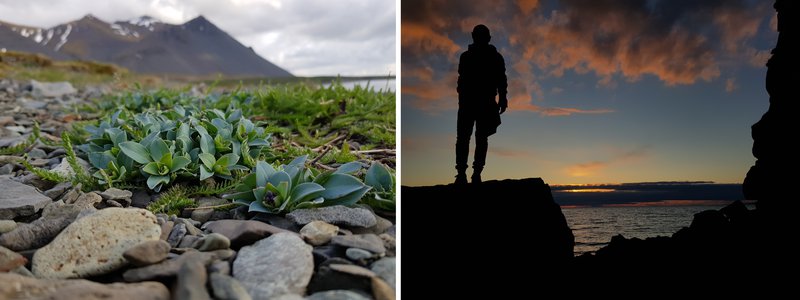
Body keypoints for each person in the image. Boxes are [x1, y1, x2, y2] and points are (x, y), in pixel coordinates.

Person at [454, 24, 508, 185]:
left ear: (488, 38)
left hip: (485, 103)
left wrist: (503, 98)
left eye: (483, 36)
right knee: (464, 138)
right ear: (473, 36)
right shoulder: (465, 57)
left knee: (481, 139)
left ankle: (476, 173)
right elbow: (461, 79)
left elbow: (501, 80)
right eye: (478, 35)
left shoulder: (496, 57)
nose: (480, 39)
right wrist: (462, 95)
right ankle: (462, 173)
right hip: (467, 103)